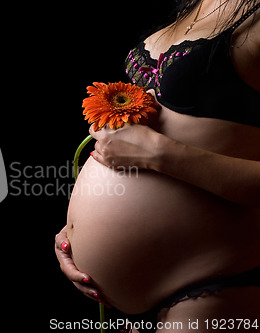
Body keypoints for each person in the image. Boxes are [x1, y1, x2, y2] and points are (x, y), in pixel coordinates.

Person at [55, 0, 260, 332]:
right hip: (125, 300)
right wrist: (76, 235)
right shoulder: (195, 3)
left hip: (213, 286)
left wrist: (157, 153)